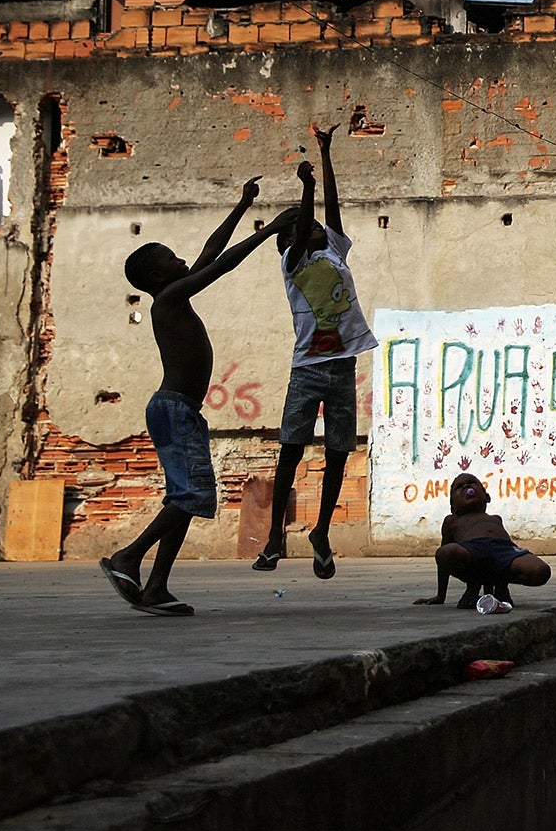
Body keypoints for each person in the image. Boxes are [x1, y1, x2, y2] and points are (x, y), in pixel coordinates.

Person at [104, 180, 295, 616]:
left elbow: (210, 252)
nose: (184, 260)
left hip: (180, 410)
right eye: (173, 259)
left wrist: (243, 205)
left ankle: (155, 588)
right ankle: (128, 557)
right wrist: (267, 231)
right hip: (173, 409)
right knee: (192, 495)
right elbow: (222, 265)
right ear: (157, 276)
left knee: (185, 498)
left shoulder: (174, 292)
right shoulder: (168, 299)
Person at [253, 122, 376, 579]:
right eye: (313, 228)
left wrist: (326, 156)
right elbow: (306, 222)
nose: (324, 229)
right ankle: (273, 539)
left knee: (339, 452)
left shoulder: (336, 253)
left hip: (342, 367)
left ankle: (321, 532)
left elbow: (333, 206)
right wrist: (303, 189)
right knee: (291, 450)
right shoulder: (294, 261)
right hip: (307, 369)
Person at [413, 472, 552, 611]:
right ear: (453, 506)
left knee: (541, 571)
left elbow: (506, 552)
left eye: (472, 482)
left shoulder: (496, 519)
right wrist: (440, 596)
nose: (467, 486)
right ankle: (474, 585)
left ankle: (500, 586)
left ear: (486, 497)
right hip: (473, 552)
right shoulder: (452, 521)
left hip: (504, 551)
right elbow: (444, 560)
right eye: (459, 487)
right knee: (445, 553)